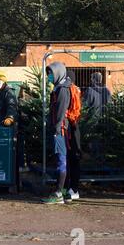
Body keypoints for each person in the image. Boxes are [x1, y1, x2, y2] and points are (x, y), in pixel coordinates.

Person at [42, 62, 78, 205]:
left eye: (51, 73)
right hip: (61, 129)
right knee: (62, 159)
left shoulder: (62, 90)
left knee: (61, 160)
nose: (49, 76)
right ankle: (61, 191)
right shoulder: (60, 87)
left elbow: (60, 111)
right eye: (48, 73)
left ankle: (58, 194)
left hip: (61, 130)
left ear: (58, 73)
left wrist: (56, 130)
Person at [65, 70, 82, 203]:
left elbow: (73, 111)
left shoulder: (71, 91)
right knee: (73, 159)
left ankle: (73, 188)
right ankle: (72, 188)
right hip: (74, 127)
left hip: (71, 127)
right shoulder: (75, 90)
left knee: (72, 158)